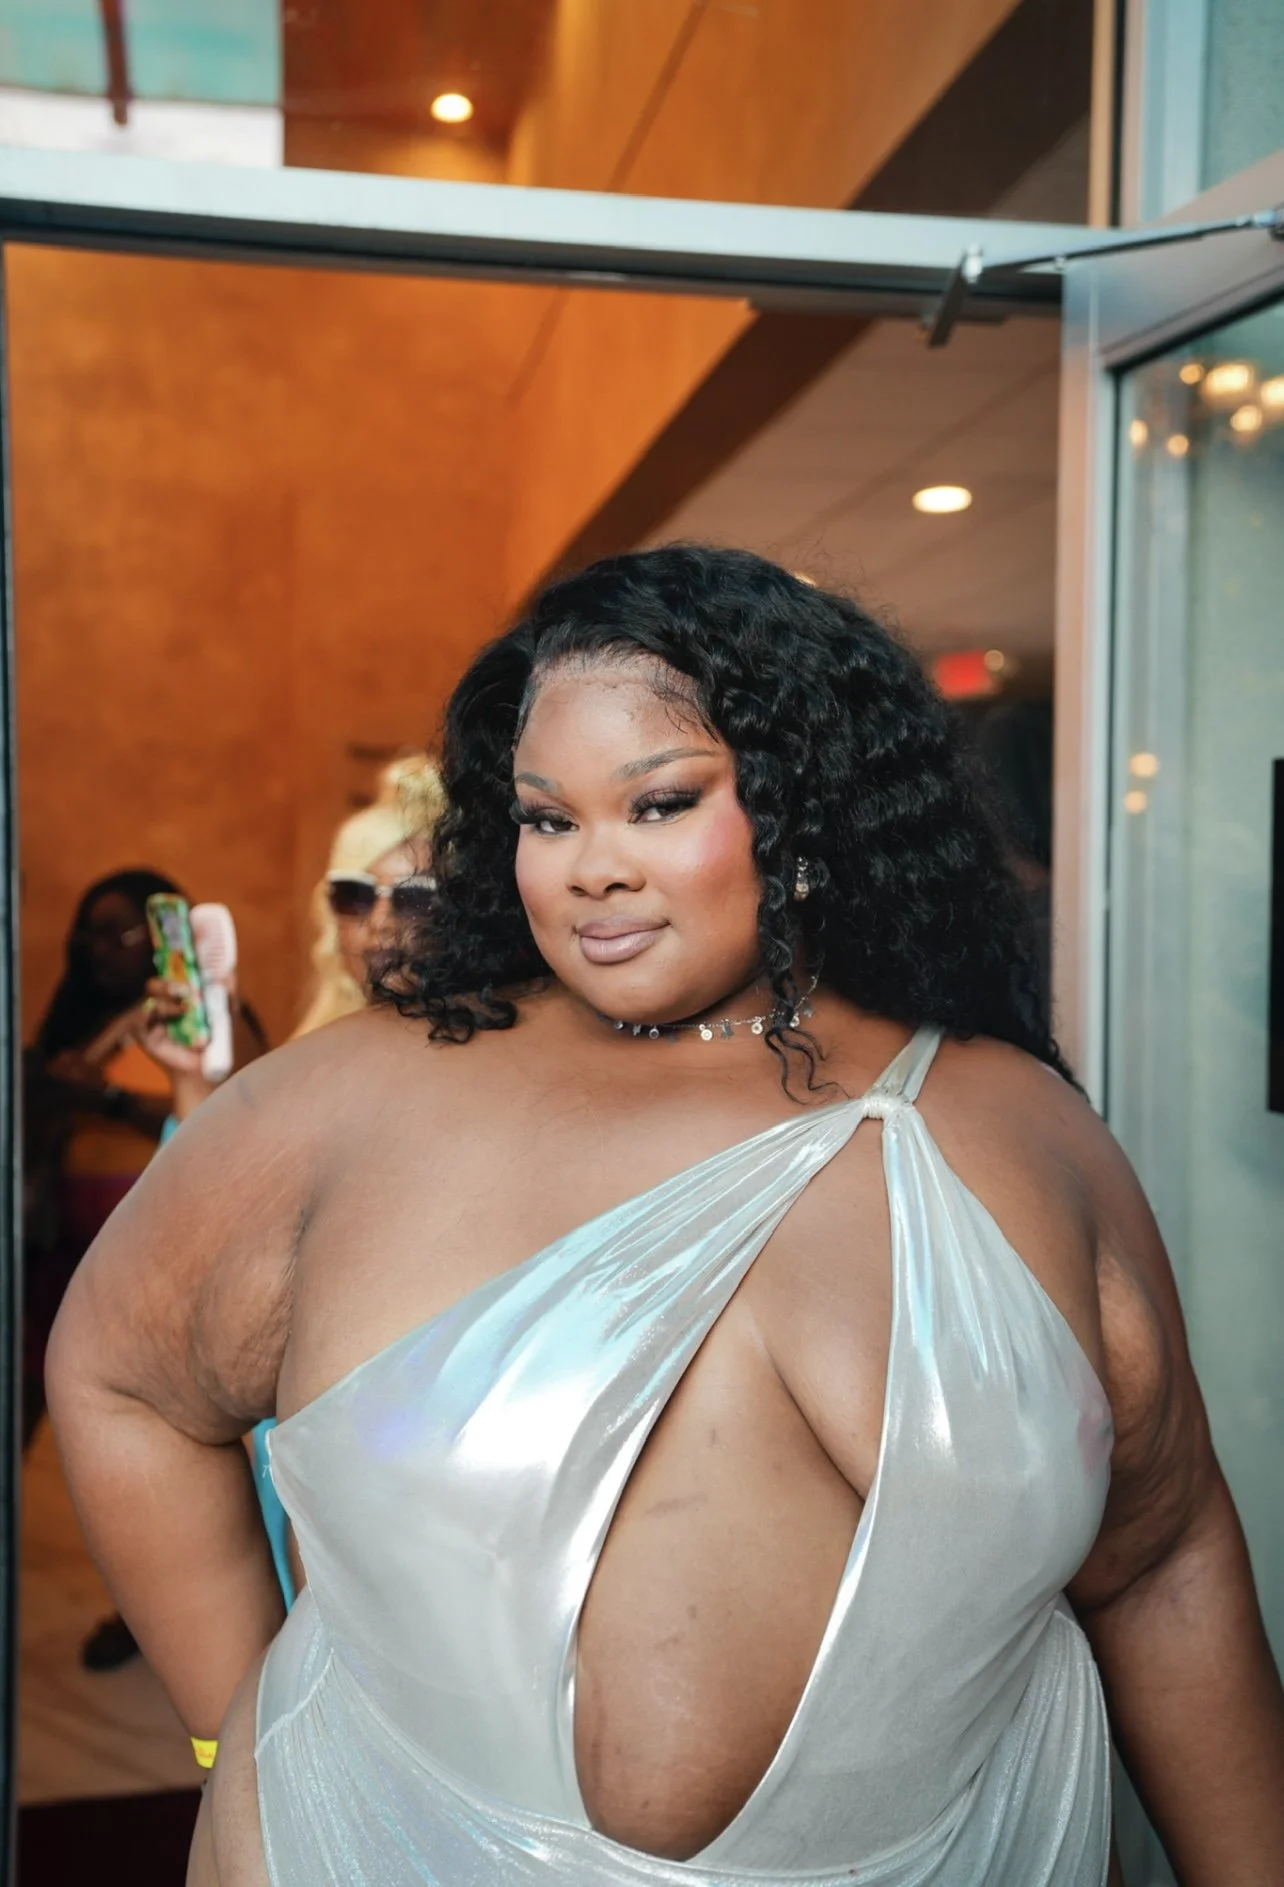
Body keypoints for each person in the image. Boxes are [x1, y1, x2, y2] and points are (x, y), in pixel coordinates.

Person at [46, 548, 1284, 1887]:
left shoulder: (1014, 1126)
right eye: (546, 818)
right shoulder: (352, 1100)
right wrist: (248, 1742)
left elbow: (1161, 1555)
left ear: (807, 804)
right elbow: (120, 1376)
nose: (592, 869)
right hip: (381, 1844)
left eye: (658, 802)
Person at [293, 755, 445, 1037]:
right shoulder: (310, 1054)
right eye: (354, 894)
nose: (380, 922)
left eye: (413, 898)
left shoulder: (488, 1060)